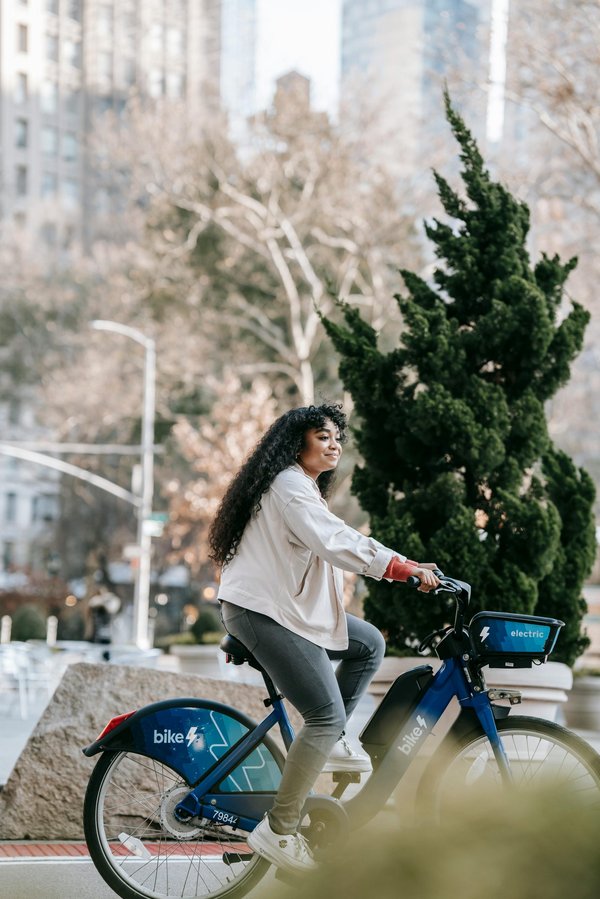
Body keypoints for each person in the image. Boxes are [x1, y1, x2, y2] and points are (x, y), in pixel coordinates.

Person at [209, 403, 440, 873]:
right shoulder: (290, 486)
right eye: (323, 436)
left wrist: (406, 564)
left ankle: (330, 740)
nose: (334, 445)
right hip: (263, 612)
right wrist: (399, 568)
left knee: (368, 643)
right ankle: (280, 829)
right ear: (297, 443)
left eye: (338, 438)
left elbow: (334, 538)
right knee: (324, 714)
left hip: (283, 607)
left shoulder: (299, 485)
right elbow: (335, 541)